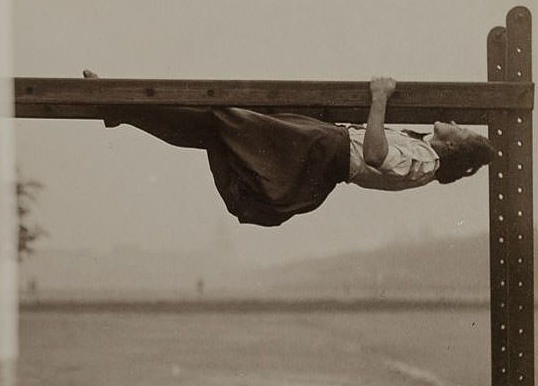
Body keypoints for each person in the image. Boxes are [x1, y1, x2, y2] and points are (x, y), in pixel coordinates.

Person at [83, 72, 495, 227]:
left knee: (221, 122)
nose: (455, 124)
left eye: (461, 130)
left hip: (324, 149)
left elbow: (374, 154)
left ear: (455, 146)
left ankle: (122, 107)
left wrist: (380, 96)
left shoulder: (428, 160)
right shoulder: (426, 150)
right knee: (218, 127)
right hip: (322, 146)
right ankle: (123, 109)